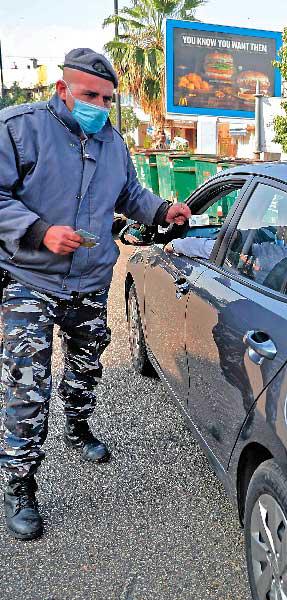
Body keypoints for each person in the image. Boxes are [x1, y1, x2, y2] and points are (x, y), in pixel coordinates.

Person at [0, 48, 191, 540]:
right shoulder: (19, 129)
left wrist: (163, 210)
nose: (99, 106)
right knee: (27, 385)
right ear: (62, 89)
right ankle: (20, 486)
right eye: (90, 95)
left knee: (87, 365)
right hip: (31, 279)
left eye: (107, 98)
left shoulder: (113, 142)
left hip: (88, 281)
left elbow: (129, 194)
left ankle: (78, 426)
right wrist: (38, 229)